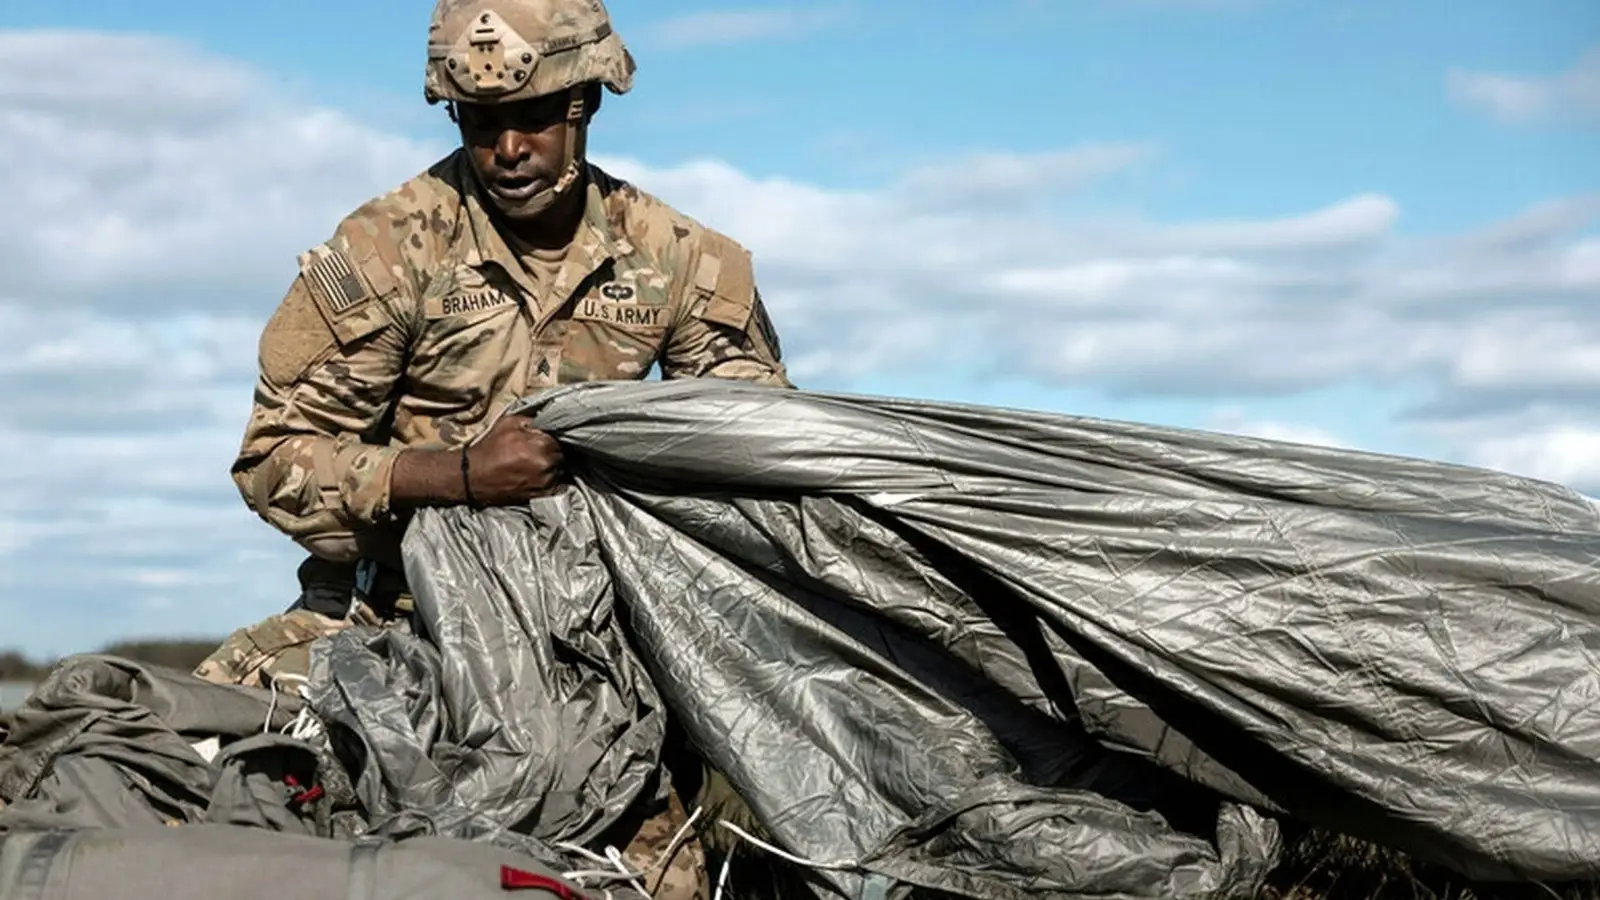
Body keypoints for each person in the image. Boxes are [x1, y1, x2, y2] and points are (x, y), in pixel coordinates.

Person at [192, 1, 790, 896]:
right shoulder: (389, 251)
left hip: (601, 657)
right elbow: (276, 457)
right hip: (391, 629)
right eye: (480, 123)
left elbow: (762, 452)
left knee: (655, 874)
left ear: (585, 104)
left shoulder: (680, 262)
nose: (508, 150)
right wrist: (454, 478)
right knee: (211, 807)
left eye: (534, 119)